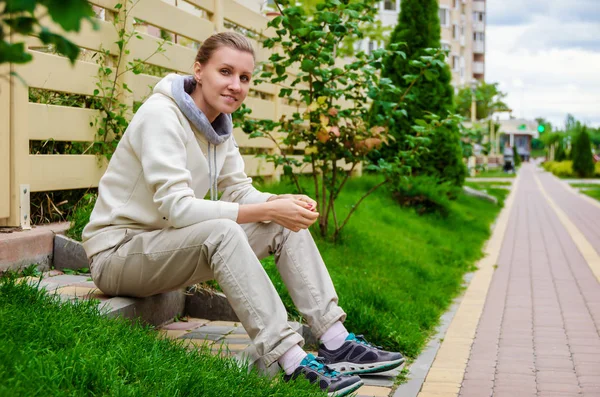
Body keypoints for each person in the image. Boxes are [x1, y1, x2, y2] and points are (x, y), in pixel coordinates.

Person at [82, 32, 403, 397]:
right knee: (225, 230)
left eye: (245, 78)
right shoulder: (161, 116)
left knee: (282, 224)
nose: (236, 85)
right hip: (118, 255)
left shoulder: (217, 126)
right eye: (226, 72)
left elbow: (239, 190)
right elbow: (178, 207)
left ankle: (334, 339)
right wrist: (266, 207)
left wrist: (281, 203)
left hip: (165, 248)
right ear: (199, 71)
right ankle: (291, 361)